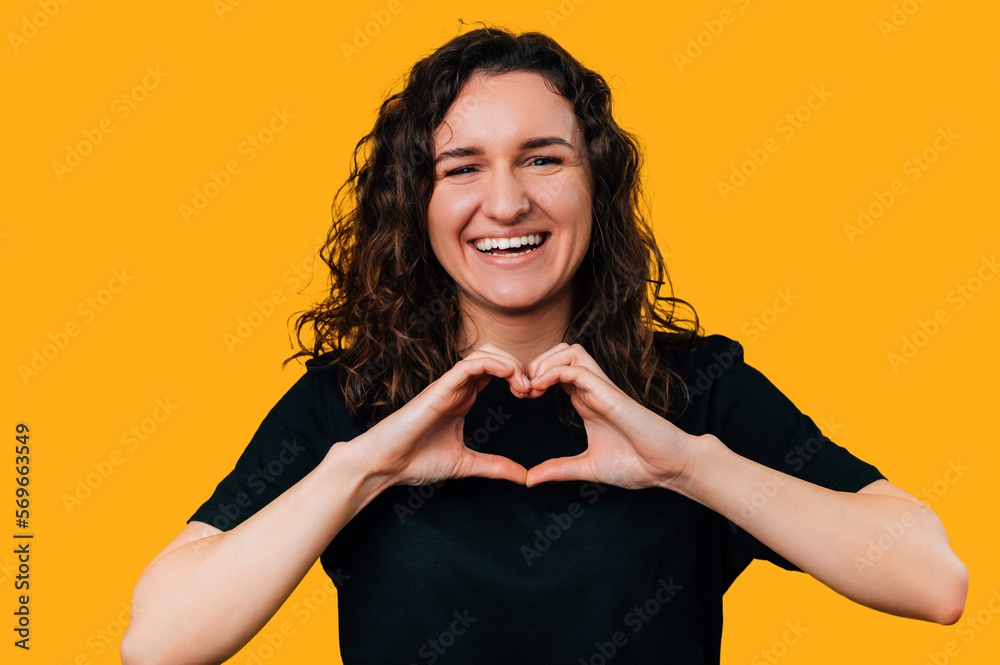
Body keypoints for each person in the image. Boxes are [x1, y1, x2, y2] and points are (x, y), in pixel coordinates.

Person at [121, 26, 967, 665]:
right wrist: (365, 469)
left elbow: (934, 579)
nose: (506, 203)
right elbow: (156, 642)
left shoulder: (696, 387)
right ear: (416, 203)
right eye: (462, 167)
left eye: (543, 159)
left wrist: (689, 466)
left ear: (595, 183)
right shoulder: (353, 403)